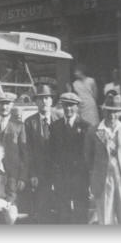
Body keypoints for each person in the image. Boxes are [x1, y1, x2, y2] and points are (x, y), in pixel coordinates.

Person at [85, 93, 121, 225]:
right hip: (103, 179)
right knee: (105, 218)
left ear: (120, 112)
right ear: (103, 111)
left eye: (115, 112)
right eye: (109, 111)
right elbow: (88, 156)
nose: (112, 115)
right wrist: (96, 173)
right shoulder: (94, 130)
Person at [50, 92, 91, 224]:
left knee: (81, 211)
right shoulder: (55, 127)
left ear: (77, 107)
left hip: (80, 177)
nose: (68, 109)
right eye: (66, 106)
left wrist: (88, 178)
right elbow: (52, 154)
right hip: (62, 176)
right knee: (63, 212)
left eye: (71, 106)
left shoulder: (86, 127)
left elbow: (89, 155)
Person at [23, 84, 59, 223]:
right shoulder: (29, 123)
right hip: (39, 172)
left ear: (51, 101)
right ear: (36, 102)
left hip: (57, 172)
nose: (44, 101)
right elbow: (28, 151)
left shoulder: (59, 120)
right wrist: (32, 174)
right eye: (41, 99)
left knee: (59, 206)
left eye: (47, 98)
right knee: (41, 206)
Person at [0, 92, 29, 194]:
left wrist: (23, 177)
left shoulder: (19, 126)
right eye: (1, 104)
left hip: (13, 176)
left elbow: (25, 155)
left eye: (7, 104)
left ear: (12, 105)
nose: (4, 107)